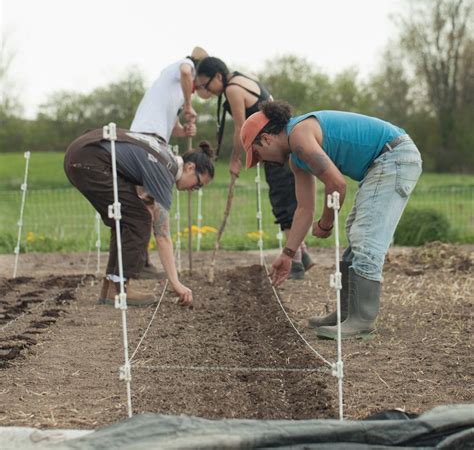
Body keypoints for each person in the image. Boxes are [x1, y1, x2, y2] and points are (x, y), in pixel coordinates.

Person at [240, 101, 422, 339]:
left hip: (394, 155)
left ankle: (362, 320)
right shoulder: (298, 158)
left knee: (365, 236)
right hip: (384, 160)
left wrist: (326, 222)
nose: (261, 161)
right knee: (356, 232)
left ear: (265, 139)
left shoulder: (300, 137)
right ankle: (348, 313)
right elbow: (304, 209)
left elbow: (337, 184)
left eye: (257, 155)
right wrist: (288, 254)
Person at [64, 127, 215, 307]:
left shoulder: (164, 154)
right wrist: (176, 283)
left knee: (125, 218)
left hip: (82, 153)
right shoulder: (166, 170)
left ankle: (111, 286)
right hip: (90, 160)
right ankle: (118, 289)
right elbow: (162, 236)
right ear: (190, 167)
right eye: (198, 184)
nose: (193, 190)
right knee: (139, 220)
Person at [194, 57, 313, 278]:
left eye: (206, 84)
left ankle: (295, 264)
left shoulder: (233, 89)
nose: (206, 90)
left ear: (218, 76)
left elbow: (241, 127)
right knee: (287, 198)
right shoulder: (243, 79)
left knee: (282, 202)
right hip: (282, 143)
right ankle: (303, 255)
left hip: (274, 148)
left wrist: (235, 159)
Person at [130, 46, 208, 278]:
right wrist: (188, 105)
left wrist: (184, 131)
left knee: (146, 204)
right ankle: (141, 264)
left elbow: (172, 126)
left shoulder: (170, 87)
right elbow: (186, 72)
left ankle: (141, 262)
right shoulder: (185, 66)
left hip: (153, 138)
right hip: (147, 140)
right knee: (148, 204)